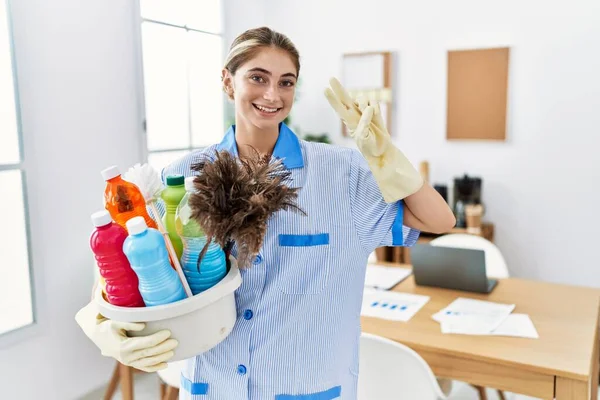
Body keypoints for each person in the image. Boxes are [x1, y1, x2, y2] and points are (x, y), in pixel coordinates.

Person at [76, 26, 455, 399]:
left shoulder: (341, 173)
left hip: (307, 387)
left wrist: (388, 157)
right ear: (228, 82)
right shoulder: (184, 177)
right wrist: (98, 323)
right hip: (215, 386)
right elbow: (126, 253)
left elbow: (440, 221)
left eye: (286, 82)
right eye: (258, 77)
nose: (273, 94)